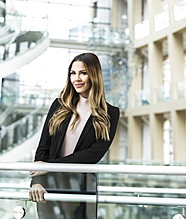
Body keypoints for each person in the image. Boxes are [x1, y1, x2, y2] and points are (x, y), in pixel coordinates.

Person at [29, 52, 120, 218]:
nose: (76, 78)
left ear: (94, 75)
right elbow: (43, 146)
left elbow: (94, 154)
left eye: (83, 73)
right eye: (73, 73)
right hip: (48, 185)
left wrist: (50, 166)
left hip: (82, 186)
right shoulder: (59, 105)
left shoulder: (110, 113)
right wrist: (37, 181)